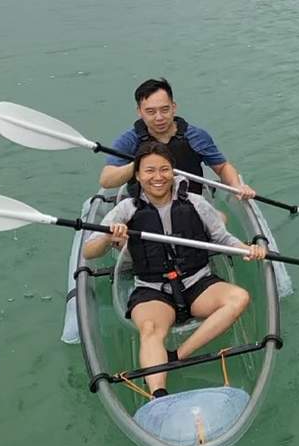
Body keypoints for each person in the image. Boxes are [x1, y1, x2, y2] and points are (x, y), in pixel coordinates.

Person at [82, 141, 267, 397]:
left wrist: (247, 249)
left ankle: (177, 356)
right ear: (138, 175)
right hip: (152, 289)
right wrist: (107, 237)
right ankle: (159, 396)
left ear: (173, 171)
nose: (158, 177)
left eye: (164, 169)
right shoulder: (126, 209)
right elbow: (89, 251)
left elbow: (222, 237)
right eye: (149, 171)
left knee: (239, 298)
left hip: (197, 282)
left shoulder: (195, 202)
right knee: (150, 329)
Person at [98, 78, 255, 200]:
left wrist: (237, 186)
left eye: (165, 110)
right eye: (151, 112)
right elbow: (107, 180)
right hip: (145, 207)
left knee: (220, 218)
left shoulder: (196, 136)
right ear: (139, 112)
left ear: (174, 107)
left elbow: (222, 167)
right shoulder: (129, 140)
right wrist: (139, 163)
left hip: (190, 203)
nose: (159, 117)